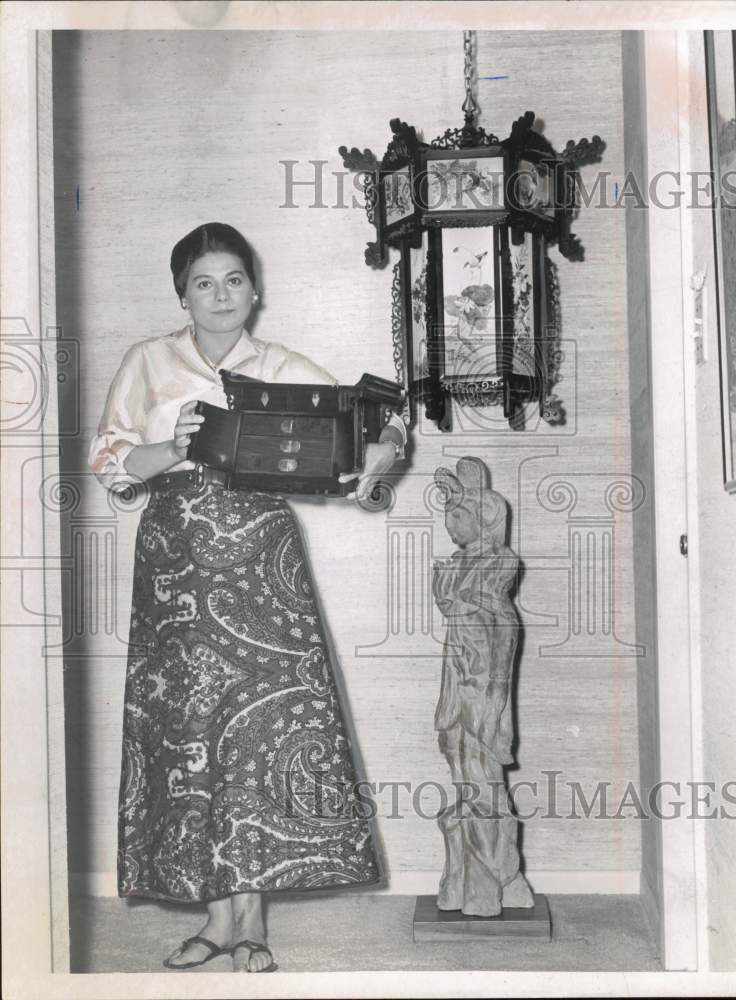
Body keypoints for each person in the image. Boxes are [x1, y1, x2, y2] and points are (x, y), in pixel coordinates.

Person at [88, 222, 406, 973]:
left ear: (254, 290)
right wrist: (175, 446)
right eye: (204, 282)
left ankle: (252, 922)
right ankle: (211, 919)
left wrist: (379, 462)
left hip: (263, 561)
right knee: (188, 731)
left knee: (261, 733)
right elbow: (110, 458)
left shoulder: (280, 365)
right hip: (177, 562)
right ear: (182, 294)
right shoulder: (147, 360)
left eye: (233, 279)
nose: (220, 295)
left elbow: (378, 420)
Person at [431, 457, 534, 917]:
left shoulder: (499, 564)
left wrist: (495, 696)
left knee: (484, 780)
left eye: (458, 516)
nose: (450, 524)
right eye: (448, 516)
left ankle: (496, 876)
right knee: (461, 773)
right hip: (456, 686)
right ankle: (467, 878)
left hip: (482, 690)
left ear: (485, 520)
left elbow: (505, 628)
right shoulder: (452, 567)